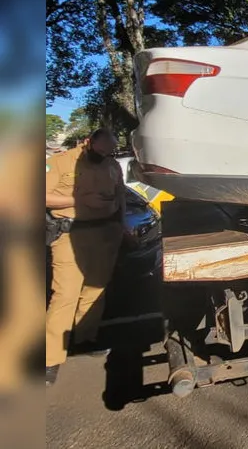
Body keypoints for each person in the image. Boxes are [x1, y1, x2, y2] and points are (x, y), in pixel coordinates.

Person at [45, 128, 129, 387]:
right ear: (88, 142)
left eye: (110, 151)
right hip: (71, 235)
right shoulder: (59, 162)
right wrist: (77, 200)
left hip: (106, 233)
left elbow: (121, 195)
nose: (105, 154)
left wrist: (122, 226)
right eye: (102, 149)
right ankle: (49, 359)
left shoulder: (113, 165)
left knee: (95, 291)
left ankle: (86, 339)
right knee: (65, 296)